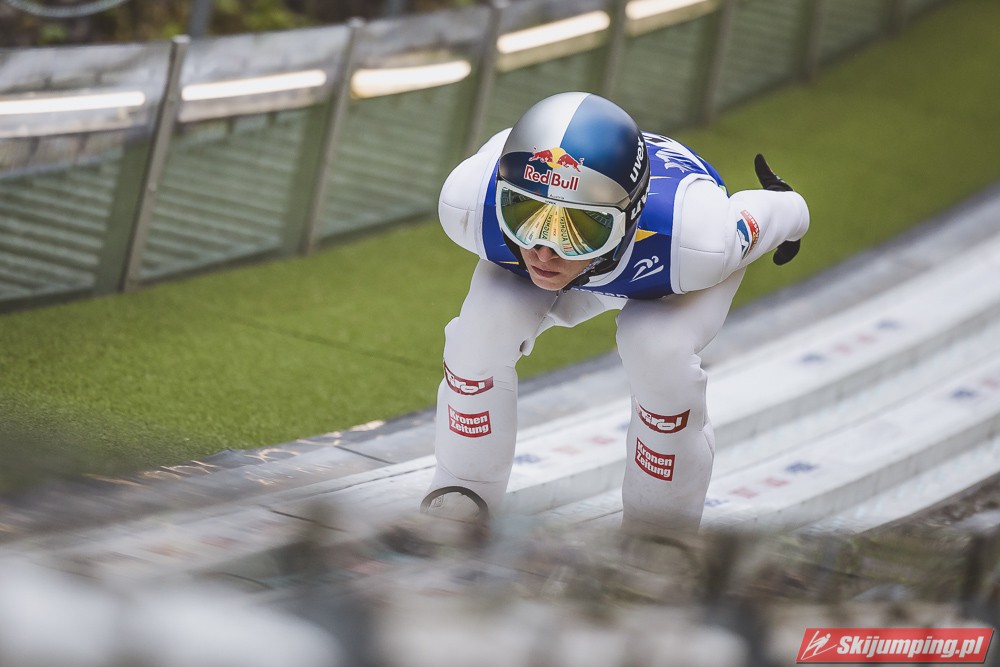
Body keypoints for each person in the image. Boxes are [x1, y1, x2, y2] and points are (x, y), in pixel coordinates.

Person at [420, 92, 809, 535]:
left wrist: (791, 207)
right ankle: (464, 487)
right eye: (525, 214)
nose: (544, 250)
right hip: (641, 258)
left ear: (631, 217)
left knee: (658, 350)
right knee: (480, 335)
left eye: (580, 228)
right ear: (501, 195)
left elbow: (772, 212)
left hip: (665, 274)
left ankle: (660, 531)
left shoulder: (698, 240)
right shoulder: (470, 199)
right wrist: (577, 237)